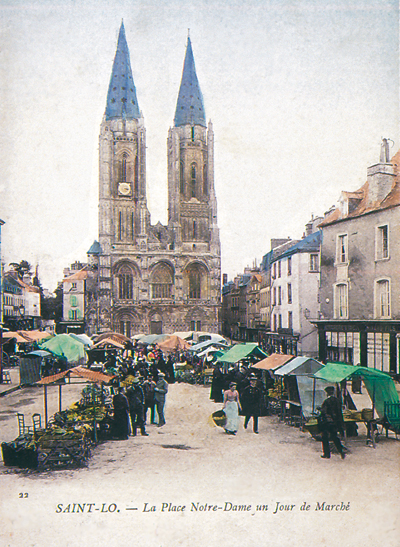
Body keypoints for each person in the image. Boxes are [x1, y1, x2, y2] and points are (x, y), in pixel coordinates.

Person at [318, 386, 346, 459]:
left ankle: (326, 454)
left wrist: (320, 409)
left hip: (327, 422)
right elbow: (339, 413)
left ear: (327, 393)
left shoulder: (326, 401)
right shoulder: (337, 400)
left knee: (325, 437)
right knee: (334, 437)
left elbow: (324, 411)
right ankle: (341, 451)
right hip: (335, 422)